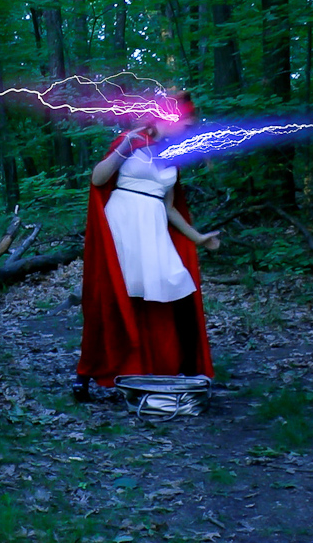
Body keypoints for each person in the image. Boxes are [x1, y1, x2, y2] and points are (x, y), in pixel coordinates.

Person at [75, 93, 219, 400]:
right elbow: (98, 179)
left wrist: (197, 237)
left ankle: (177, 370)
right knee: (113, 296)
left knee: (176, 287)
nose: (188, 127)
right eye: (186, 121)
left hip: (153, 228)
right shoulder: (131, 140)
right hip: (122, 223)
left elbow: (169, 207)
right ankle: (87, 372)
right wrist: (123, 147)